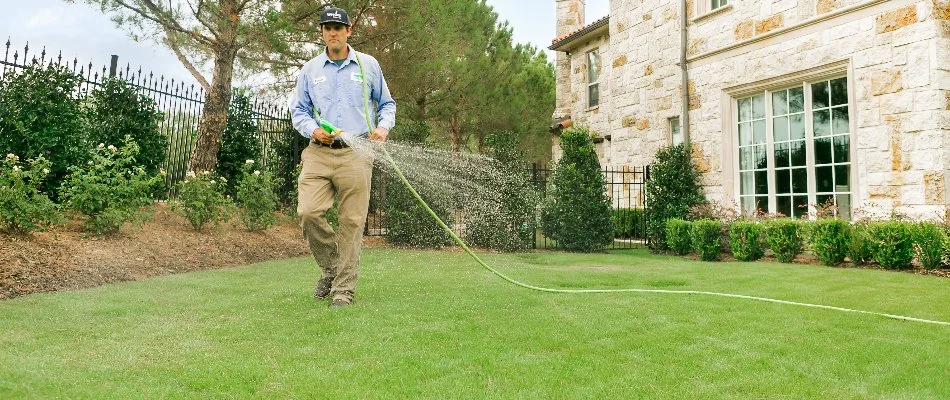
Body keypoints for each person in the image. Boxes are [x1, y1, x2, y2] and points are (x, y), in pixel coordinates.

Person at [291, 6, 396, 308]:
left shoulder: (368, 65)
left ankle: (343, 290)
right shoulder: (310, 70)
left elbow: (387, 104)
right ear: (322, 33)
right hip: (319, 153)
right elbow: (299, 110)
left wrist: (383, 128)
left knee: (351, 222)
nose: (333, 32)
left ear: (349, 31)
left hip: (356, 153)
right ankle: (332, 268)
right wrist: (313, 130)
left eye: (338, 27)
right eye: (327, 28)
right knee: (308, 212)